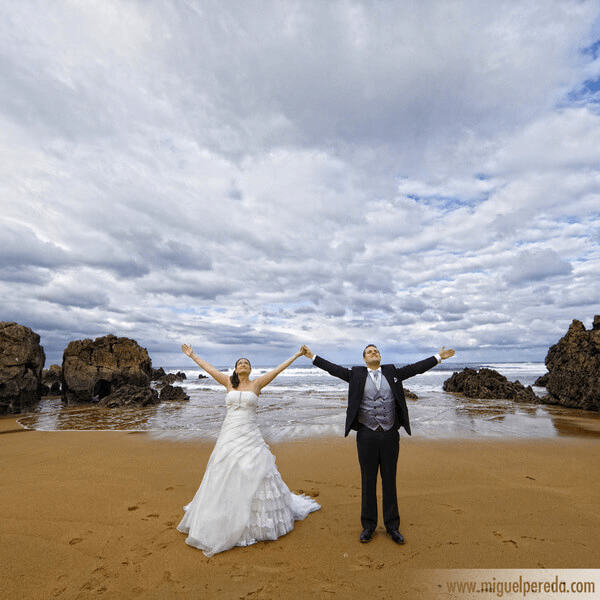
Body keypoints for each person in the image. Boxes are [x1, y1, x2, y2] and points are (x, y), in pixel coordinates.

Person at [302, 343, 455, 545]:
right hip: (366, 434)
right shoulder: (355, 374)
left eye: (376, 351)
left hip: (390, 434)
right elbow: (334, 369)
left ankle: (393, 527)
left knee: (389, 480)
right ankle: (368, 526)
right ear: (364, 359)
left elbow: (415, 368)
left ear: (380, 357)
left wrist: (438, 357)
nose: (374, 353)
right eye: (369, 352)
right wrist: (312, 356)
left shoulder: (393, 372)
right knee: (368, 481)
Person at [177, 344, 320, 557]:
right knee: (225, 470)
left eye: (246, 363)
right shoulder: (228, 383)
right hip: (230, 434)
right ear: (235, 370)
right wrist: (192, 355)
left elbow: (278, 369)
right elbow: (208, 368)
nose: (243, 365)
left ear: (250, 370)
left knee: (257, 470)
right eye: (240, 363)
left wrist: (298, 355)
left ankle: (255, 522)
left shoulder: (257, 384)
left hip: (251, 434)